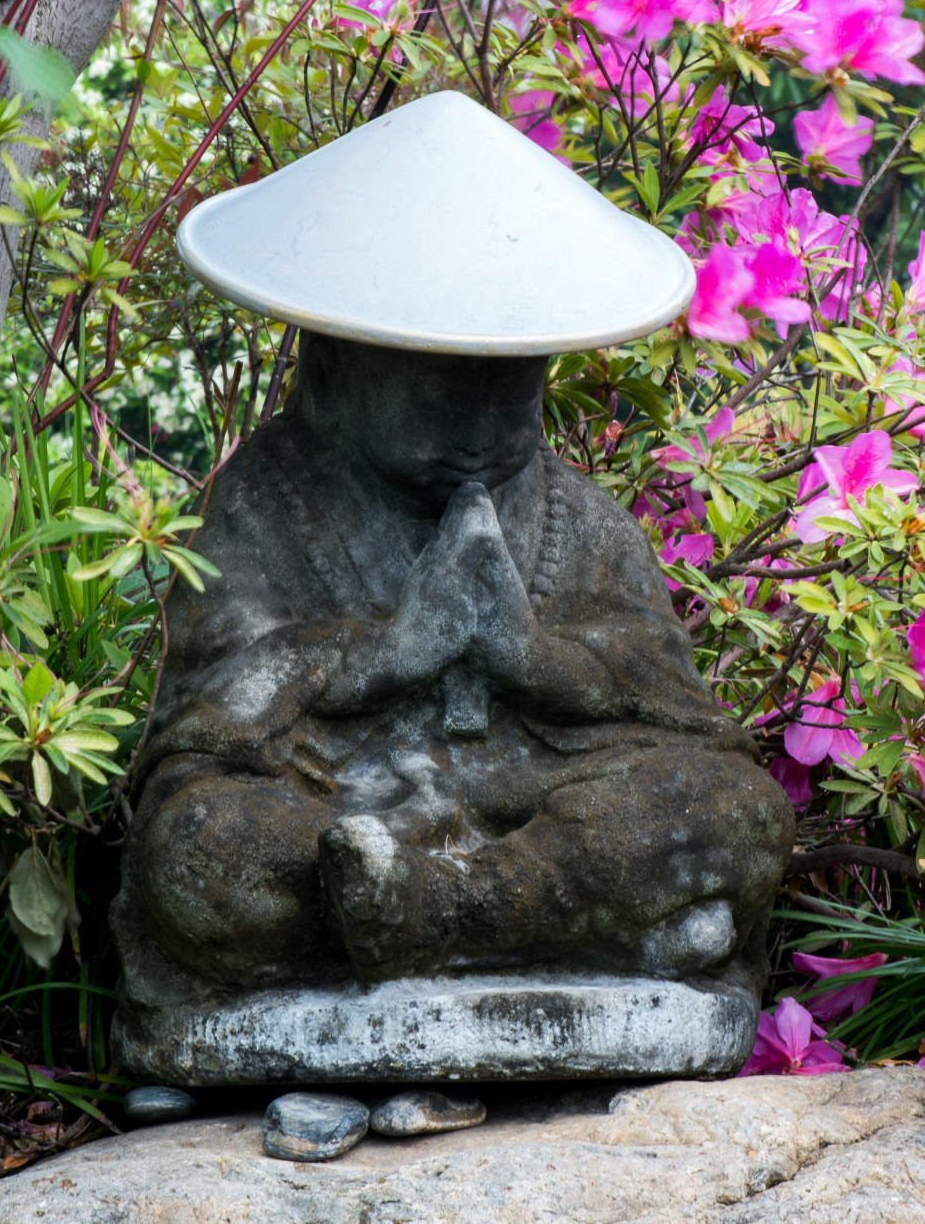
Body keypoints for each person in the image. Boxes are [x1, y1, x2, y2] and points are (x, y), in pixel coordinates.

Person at [111, 333, 794, 1015]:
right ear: (346, 364)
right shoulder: (262, 501)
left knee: (743, 808)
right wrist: (386, 653)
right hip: (351, 803)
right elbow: (205, 721)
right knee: (195, 839)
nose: (477, 427)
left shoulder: (579, 518)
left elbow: (682, 713)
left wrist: (535, 658)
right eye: (438, 395)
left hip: (552, 813)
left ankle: (449, 913)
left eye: (511, 394)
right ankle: (587, 933)